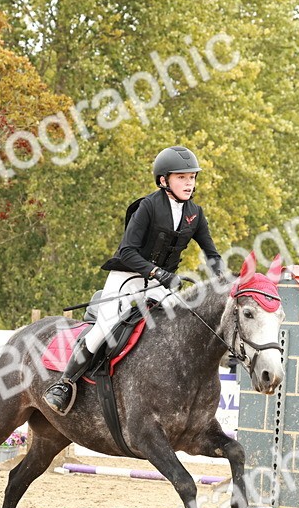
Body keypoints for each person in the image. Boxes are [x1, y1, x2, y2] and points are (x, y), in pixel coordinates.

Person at [42, 145, 224, 415]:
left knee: (184, 324)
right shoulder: (148, 207)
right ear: (164, 181)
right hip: (128, 277)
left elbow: (212, 254)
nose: (189, 183)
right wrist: (158, 273)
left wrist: (225, 278)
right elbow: (127, 251)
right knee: (104, 328)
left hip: (161, 286)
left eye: (192, 177)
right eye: (181, 177)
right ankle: (64, 383)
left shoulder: (195, 214)